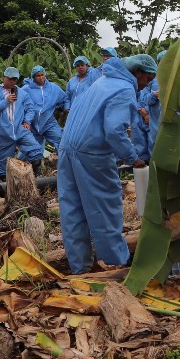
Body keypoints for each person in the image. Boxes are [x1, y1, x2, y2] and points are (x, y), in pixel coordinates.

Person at [56, 54, 155, 273]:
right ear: (137, 72)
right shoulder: (124, 89)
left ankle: (79, 266)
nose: (146, 84)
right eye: (146, 79)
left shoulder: (102, 81)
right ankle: (115, 261)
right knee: (105, 206)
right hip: (92, 151)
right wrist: (133, 158)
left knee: (73, 208)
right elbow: (114, 131)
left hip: (67, 148)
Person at [0, 66, 43, 180]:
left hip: (20, 130)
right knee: (4, 160)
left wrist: (27, 121)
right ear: (4, 77)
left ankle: (37, 178)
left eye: (15, 79)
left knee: (35, 149)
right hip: (4, 131)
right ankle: (4, 185)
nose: (12, 81)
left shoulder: (22, 93)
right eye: (10, 79)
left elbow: (30, 109)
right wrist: (6, 101)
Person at [22, 65, 65, 151]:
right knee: (31, 148)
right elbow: (18, 104)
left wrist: (66, 108)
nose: (41, 77)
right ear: (33, 77)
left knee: (60, 141)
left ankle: (63, 162)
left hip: (48, 122)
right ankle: (23, 163)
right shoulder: (26, 89)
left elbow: (64, 99)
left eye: (42, 75)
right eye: (38, 76)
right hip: (32, 123)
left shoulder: (53, 88)